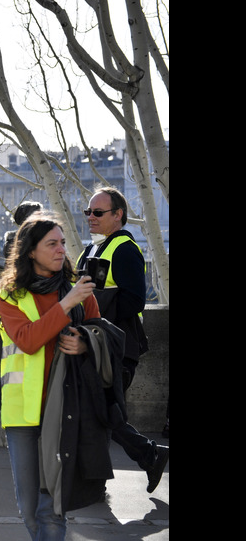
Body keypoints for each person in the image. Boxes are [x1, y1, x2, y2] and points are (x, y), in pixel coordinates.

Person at [0, 212, 100, 541]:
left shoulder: (82, 294)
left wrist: (85, 344)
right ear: (30, 251)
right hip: (22, 414)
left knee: (51, 508)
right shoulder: (9, 298)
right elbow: (27, 340)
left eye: (63, 243)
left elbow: (101, 335)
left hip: (65, 411)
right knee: (28, 507)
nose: (61, 250)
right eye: (51, 244)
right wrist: (66, 304)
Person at [76, 187, 169, 493]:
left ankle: (145, 457)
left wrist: (91, 305)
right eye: (88, 212)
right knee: (98, 411)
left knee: (102, 410)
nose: (90, 217)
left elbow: (134, 301)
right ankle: (105, 478)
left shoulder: (125, 249)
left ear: (118, 215)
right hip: (94, 344)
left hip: (118, 346)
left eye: (97, 213)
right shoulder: (89, 249)